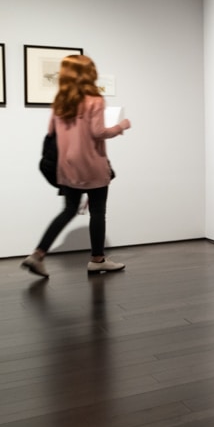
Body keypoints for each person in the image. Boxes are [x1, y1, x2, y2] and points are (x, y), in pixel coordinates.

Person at [21, 55, 131, 277]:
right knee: (97, 211)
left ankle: (38, 254)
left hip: (67, 166)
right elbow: (99, 132)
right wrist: (121, 126)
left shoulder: (60, 102)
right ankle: (97, 260)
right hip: (92, 164)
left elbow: (51, 132)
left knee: (69, 210)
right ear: (88, 73)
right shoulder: (95, 100)